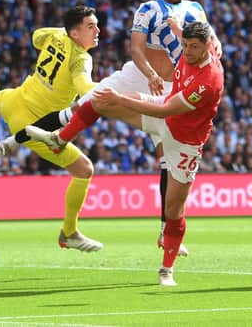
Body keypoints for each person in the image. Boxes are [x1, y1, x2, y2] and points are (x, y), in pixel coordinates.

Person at [0, 0, 221, 256]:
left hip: (173, 87)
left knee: (166, 159)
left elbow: (210, 43)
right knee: (91, 99)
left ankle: (163, 230)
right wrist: (151, 75)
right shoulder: (148, 9)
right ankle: (10, 143)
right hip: (140, 75)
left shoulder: (196, 9)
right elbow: (136, 48)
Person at [28, 21, 223, 285]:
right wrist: (176, 27)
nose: (187, 51)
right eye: (185, 45)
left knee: (174, 209)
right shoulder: (198, 44)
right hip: (165, 108)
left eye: (193, 47)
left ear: (205, 50)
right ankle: (60, 139)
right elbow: (194, 36)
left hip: (184, 140)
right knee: (101, 99)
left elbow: (166, 111)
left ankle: (167, 269)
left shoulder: (207, 81)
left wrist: (122, 100)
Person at [0, 6, 102, 252]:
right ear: (75, 33)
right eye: (90, 26)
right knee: (84, 169)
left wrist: (58, 35)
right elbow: (83, 86)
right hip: (33, 124)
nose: (98, 31)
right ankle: (69, 232)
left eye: (96, 25)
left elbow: (36, 37)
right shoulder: (81, 58)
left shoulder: (57, 35)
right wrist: (107, 89)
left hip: (16, 99)